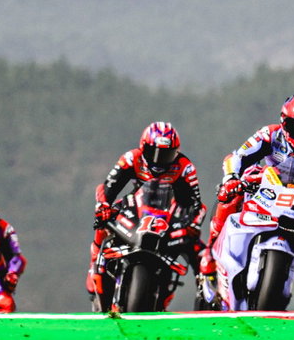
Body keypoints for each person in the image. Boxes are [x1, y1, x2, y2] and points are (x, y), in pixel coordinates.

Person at [199, 95, 294, 310]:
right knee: (229, 196)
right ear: (285, 122)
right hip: (266, 188)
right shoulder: (269, 134)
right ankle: (210, 252)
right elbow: (237, 156)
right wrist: (232, 178)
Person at [87, 121, 208, 306]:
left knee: (197, 246)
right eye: (153, 152)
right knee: (104, 222)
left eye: (166, 155)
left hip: (167, 213)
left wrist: (192, 224)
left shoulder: (185, 167)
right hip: (135, 206)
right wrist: (103, 207)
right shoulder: (131, 158)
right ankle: (95, 261)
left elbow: (195, 204)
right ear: (143, 148)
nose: (159, 160)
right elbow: (108, 187)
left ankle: (205, 289)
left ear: (175, 152)